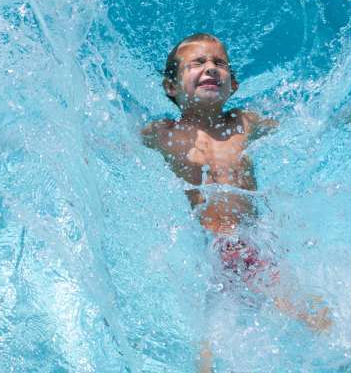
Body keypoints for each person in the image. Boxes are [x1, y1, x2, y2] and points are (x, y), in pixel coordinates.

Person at [139, 33, 331, 372]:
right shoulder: (164, 132)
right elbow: (111, 140)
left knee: (294, 303)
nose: (210, 68)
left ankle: (349, 350)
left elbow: (304, 125)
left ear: (234, 85)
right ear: (170, 86)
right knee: (211, 332)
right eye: (197, 63)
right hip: (210, 247)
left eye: (220, 64)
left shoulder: (243, 123)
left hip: (253, 240)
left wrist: (346, 119)